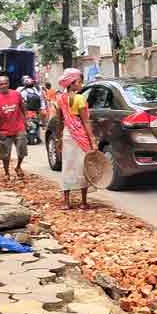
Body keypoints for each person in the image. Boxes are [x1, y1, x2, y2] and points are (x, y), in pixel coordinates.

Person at [55, 68, 96, 209]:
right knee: (82, 166)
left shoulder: (59, 99)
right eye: (79, 81)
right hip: (80, 136)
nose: (81, 84)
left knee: (67, 166)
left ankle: (67, 202)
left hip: (67, 134)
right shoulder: (80, 99)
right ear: (72, 83)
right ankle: (83, 202)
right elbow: (86, 121)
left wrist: (58, 139)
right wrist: (92, 140)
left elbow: (59, 120)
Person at [0, 76, 27, 180]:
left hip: (19, 127)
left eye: (5, 83)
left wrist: (26, 120)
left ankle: (18, 167)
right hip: (4, 130)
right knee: (5, 154)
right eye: (1, 84)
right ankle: (6, 172)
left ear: (9, 83)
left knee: (22, 149)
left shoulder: (16, 94)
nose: (4, 86)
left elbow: (22, 107)